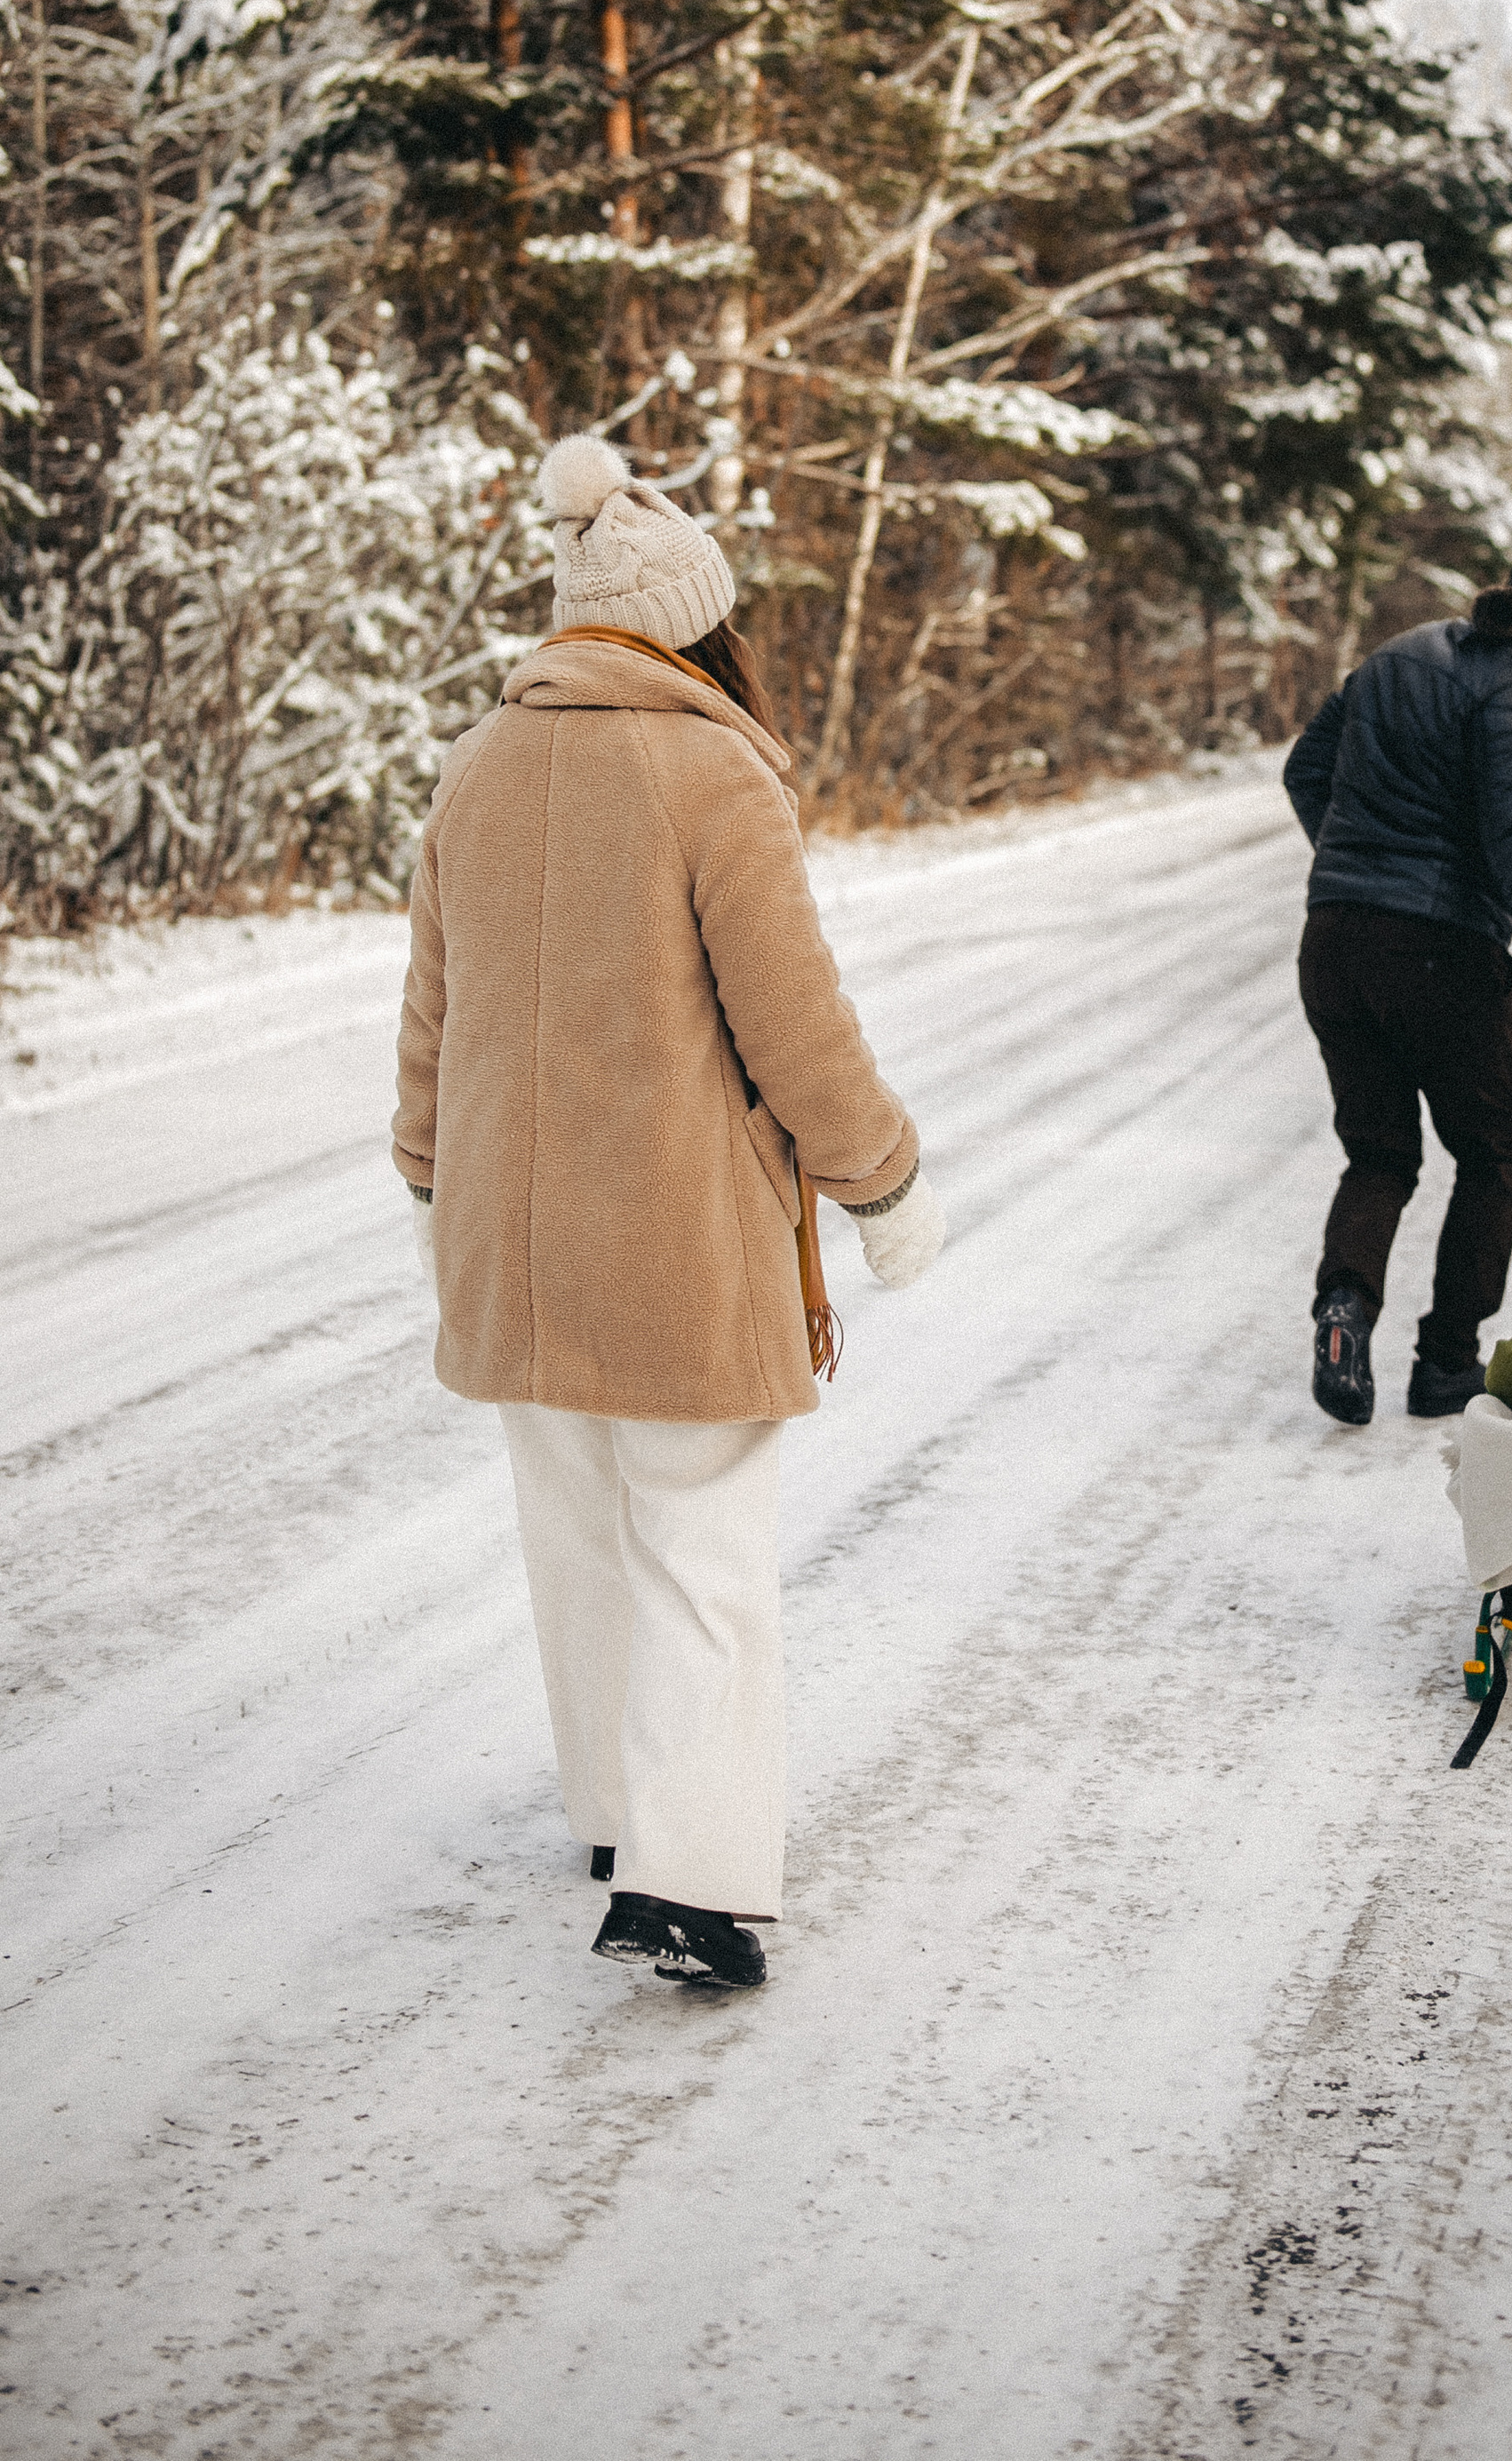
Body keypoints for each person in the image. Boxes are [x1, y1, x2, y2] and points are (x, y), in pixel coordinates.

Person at [392, 434, 942, 1991]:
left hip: (511, 1237)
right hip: (675, 1243)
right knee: (701, 1548)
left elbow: (434, 1006)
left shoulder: (478, 762)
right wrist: (882, 1180)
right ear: (701, 627)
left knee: (576, 1535)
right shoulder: (713, 772)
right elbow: (796, 1024)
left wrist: (429, 1170)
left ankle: (618, 1814)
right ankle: (691, 1881)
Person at [1282, 534, 1512, 1427]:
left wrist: (1357, 870)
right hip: (1442, 957)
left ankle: (1345, 1312)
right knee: (1490, 1157)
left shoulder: (1401, 653)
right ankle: (1446, 1363)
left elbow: (1306, 770)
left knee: (1379, 1155)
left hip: (1333, 943)